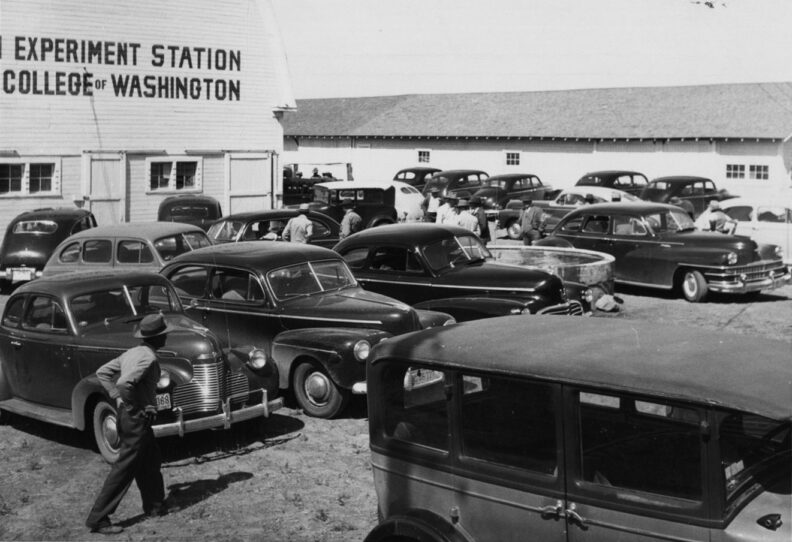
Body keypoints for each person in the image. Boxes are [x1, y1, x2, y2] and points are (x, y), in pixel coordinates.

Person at [85, 314, 174, 535]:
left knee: (151, 460)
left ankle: (155, 506)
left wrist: (116, 396)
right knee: (125, 468)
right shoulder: (148, 359)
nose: (167, 337)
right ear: (158, 337)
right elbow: (125, 383)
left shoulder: (132, 353)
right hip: (136, 418)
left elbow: (103, 372)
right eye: (164, 334)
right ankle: (98, 519)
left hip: (130, 415)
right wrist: (136, 405)